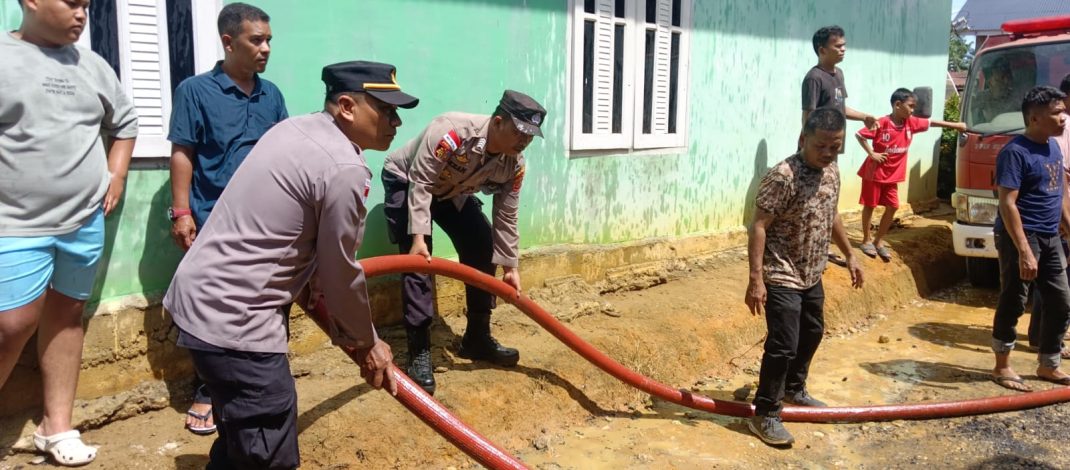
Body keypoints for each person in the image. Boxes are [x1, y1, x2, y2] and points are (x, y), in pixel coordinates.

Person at [162, 60, 417, 469]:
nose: (397, 122)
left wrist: (314, 284)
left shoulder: (294, 128)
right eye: (386, 110)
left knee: (239, 443)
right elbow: (340, 273)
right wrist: (368, 343)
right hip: (237, 321)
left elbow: (291, 229)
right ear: (348, 107)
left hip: (198, 300)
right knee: (268, 446)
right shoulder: (344, 166)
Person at [0, 0, 138, 466]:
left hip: (82, 221)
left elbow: (125, 124)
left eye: (87, 5)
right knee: (11, 324)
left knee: (66, 315)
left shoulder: (93, 66)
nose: (83, 14)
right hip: (14, 224)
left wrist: (116, 175)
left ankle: (55, 428)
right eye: (72, 2)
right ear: (31, 2)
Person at [166, 2, 288, 436]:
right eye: (257, 39)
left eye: (269, 39)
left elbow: (284, 155)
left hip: (267, 223)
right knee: (214, 308)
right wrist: (181, 212)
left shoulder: (271, 95)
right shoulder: (196, 91)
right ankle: (208, 389)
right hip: (213, 218)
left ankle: (265, 382)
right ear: (228, 42)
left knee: (269, 301)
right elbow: (183, 152)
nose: (266, 48)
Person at [382, 90, 546, 395]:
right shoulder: (453, 132)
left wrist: (510, 266)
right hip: (408, 181)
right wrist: (419, 237)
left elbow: (506, 217)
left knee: (483, 246)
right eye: (519, 132)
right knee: (419, 261)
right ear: (498, 122)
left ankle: (477, 338)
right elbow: (421, 179)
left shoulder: (515, 165)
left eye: (531, 136)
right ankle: (419, 352)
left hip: (451, 192)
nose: (524, 141)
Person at [744, 108, 864, 447]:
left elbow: (832, 214)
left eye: (835, 147)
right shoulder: (783, 176)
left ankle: (794, 389)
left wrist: (851, 254)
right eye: (820, 146)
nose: (827, 154)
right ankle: (765, 413)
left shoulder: (832, 172)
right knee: (783, 344)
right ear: (803, 140)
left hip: (812, 271)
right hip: (781, 272)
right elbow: (758, 226)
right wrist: (756, 279)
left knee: (812, 331)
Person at [990, 86, 1070, 392]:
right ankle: (1002, 367)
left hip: (1050, 237)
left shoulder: (1054, 147)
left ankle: (1048, 365)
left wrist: (1068, 228)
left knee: (1061, 301)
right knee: (1014, 299)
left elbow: (1060, 192)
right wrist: (1024, 250)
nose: (1063, 118)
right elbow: (1007, 203)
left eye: (1063, 111)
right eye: (1056, 112)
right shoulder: (1015, 152)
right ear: (1035, 118)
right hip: (1020, 237)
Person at [855, 88, 967, 261]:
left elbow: (932, 123)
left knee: (893, 206)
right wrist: (872, 154)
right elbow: (859, 135)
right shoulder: (882, 122)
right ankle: (866, 240)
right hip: (874, 174)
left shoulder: (910, 123)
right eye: (911, 106)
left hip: (892, 177)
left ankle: (879, 241)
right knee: (870, 206)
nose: (913, 110)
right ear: (897, 105)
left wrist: (956, 126)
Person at [1029, 74, 1070, 355]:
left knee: (1053, 278)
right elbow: (1060, 181)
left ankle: (1044, 337)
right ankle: (1050, 337)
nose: (1061, 117)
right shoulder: (1061, 133)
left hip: (1059, 216)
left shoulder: (1058, 133)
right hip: (1059, 217)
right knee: (1057, 281)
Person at [801, 26, 877, 134]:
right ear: (822, 50)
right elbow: (808, 116)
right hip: (820, 145)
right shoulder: (814, 78)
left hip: (834, 142)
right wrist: (809, 143)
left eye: (844, 45)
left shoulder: (839, 74)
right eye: (838, 46)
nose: (843, 49)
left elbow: (839, 107)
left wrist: (864, 117)